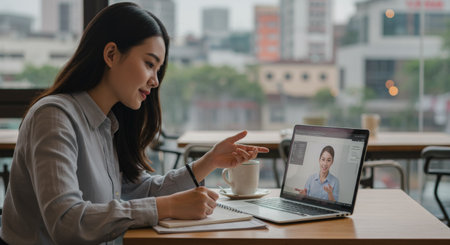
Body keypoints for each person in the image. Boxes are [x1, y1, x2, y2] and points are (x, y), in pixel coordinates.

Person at [0, 3, 269, 244]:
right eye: (149, 64)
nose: (155, 80)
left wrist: (208, 162)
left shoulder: (107, 124)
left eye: (158, 69)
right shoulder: (54, 117)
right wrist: (167, 207)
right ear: (111, 54)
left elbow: (139, 190)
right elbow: (67, 222)